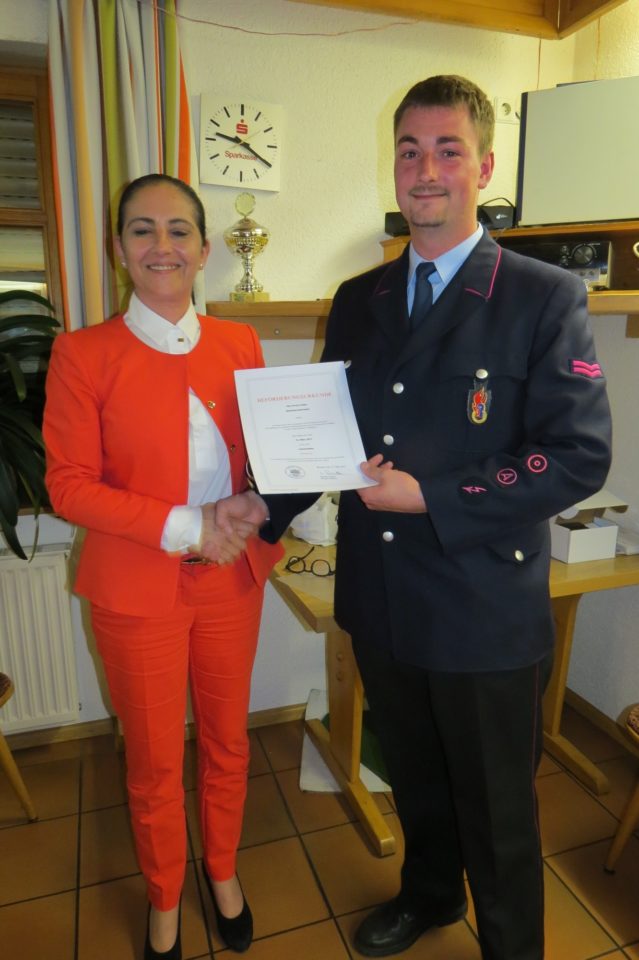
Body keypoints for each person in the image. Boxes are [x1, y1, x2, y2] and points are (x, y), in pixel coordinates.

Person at [211, 76, 612, 959]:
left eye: (447, 150)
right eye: (409, 150)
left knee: (497, 810)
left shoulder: (541, 296)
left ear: (484, 168)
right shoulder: (361, 297)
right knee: (416, 778)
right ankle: (429, 894)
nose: (425, 169)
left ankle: (512, 947)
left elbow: (576, 454)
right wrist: (260, 501)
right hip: (384, 595)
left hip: (481, 606)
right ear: (392, 165)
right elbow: (329, 434)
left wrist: (433, 494)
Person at [43, 173, 282, 960]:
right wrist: (190, 525)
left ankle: (222, 871)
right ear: (119, 249)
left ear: (204, 250)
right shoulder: (82, 353)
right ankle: (164, 896)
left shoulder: (239, 343)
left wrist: (263, 503)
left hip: (230, 579)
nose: (162, 245)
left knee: (227, 743)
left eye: (179, 230)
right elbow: (69, 486)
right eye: (142, 230)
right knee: (151, 762)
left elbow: (266, 457)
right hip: (135, 587)